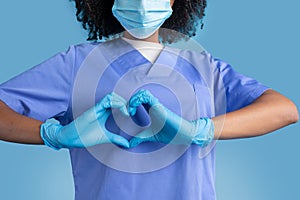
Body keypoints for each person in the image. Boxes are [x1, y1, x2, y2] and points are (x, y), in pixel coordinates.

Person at [0, 0, 298, 199]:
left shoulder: (204, 68)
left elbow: (284, 109)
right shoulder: (77, 64)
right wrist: (53, 135)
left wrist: (200, 130)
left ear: (173, 1)